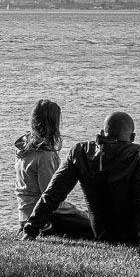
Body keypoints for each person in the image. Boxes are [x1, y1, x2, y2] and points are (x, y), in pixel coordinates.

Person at [21, 111, 140, 249]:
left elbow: (53, 193)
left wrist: (30, 229)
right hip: (135, 237)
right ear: (132, 136)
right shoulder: (137, 153)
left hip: (103, 235)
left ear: (103, 132)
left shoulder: (80, 152)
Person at [14, 99, 94, 240]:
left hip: (25, 216)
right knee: (97, 227)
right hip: (44, 220)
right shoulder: (46, 156)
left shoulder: (24, 150)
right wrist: (81, 212)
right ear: (54, 123)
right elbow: (50, 201)